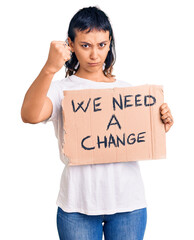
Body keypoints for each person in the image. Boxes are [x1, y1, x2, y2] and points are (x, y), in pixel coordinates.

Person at [21, 6, 174, 240]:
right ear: (70, 45)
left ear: (109, 42)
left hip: (128, 205)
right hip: (77, 206)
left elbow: (140, 136)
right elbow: (29, 115)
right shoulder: (61, 90)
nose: (95, 55)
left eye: (102, 45)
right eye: (85, 45)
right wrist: (50, 68)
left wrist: (159, 122)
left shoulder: (126, 91)